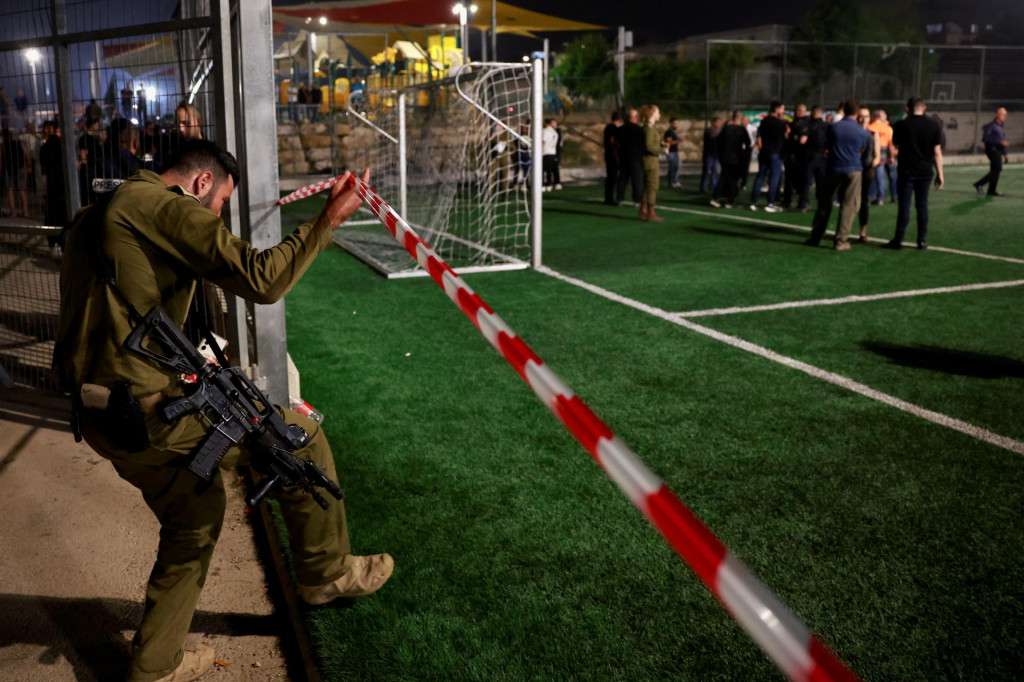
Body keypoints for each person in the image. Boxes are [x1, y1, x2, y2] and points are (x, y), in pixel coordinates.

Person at [52, 140, 393, 682]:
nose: (213, 217)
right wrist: (328, 218)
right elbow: (262, 278)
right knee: (296, 433)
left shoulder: (97, 213)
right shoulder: (163, 205)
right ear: (201, 183)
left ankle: (154, 666)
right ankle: (325, 572)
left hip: (96, 414)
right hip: (144, 411)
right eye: (218, 204)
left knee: (195, 517)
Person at [804, 99, 871, 251]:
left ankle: (816, 236)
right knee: (849, 206)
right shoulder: (862, 132)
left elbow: (827, 145)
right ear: (857, 112)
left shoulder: (833, 128)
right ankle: (841, 240)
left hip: (834, 168)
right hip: (853, 169)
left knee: (825, 203)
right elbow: (862, 150)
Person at [883, 97, 944, 251]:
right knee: (922, 206)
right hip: (925, 171)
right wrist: (940, 174)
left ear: (907, 108)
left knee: (904, 206)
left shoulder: (901, 125)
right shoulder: (933, 125)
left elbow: (894, 146)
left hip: (906, 170)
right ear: (924, 107)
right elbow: (937, 152)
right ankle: (921, 240)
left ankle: (898, 239)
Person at [749, 101, 788, 212]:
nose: (783, 111)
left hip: (764, 152)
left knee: (760, 177)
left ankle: (753, 202)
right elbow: (786, 135)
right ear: (777, 109)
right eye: (782, 109)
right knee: (774, 178)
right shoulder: (780, 123)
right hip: (775, 153)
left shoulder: (764, 121)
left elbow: (759, 136)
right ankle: (770, 203)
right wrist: (784, 122)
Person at [709, 110, 750, 209]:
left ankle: (716, 197)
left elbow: (718, 141)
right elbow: (747, 143)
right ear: (740, 119)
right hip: (736, 158)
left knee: (723, 177)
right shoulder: (741, 129)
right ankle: (729, 201)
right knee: (733, 179)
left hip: (725, 157)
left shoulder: (726, 129)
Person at [855, 107, 881, 243]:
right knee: (850, 201)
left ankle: (862, 232)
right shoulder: (853, 132)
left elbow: (877, 154)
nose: (863, 119)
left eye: (866, 116)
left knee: (864, 201)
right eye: (861, 116)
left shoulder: (872, 134)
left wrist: (873, 164)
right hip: (853, 170)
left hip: (867, 170)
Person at [974, 107, 1009, 197]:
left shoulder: (1000, 128)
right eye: (1002, 114)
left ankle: (991, 190)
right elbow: (985, 138)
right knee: (997, 169)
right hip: (991, 149)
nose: (1004, 116)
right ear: (997, 115)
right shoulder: (991, 126)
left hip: (997, 150)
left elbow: (1002, 142)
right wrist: (998, 142)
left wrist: (1005, 154)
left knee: (995, 170)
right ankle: (979, 184)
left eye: (1005, 114)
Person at [639, 104, 665, 222]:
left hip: (649, 161)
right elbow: (649, 146)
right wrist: (662, 150)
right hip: (651, 161)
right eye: (657, 112)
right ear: (652, 113)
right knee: (653, 186)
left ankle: (643, 209)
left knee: (648, 186)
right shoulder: (649, 128)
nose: (659, 115)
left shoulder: (649, 127)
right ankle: (650, 212)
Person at [39, 120, 66, 226]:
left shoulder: (44, 147)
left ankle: (52, 234)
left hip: (52, 181)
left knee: (52, 207)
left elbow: (43, 168)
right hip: (64, 180)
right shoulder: (63, 145)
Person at [616, 108, 644, 206]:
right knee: (637, 180)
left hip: (623, 157)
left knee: (622, 178)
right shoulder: (639, 130)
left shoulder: (620, 130)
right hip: (636, 158)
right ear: (634, 117)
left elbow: (616, 144)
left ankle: (620, 198)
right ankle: (637, 200)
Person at [1, 128, 30, 217]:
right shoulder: (19, 143)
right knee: (22, 190)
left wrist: (1, 170)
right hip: (20, 168)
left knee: (10, 190)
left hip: (8, 170)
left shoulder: (2, 146)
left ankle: (13, 212)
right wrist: (29, 166)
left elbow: (0, 159)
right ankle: (25, 212)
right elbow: (26, 154)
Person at [867, 110, 894, 205]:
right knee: (881, 176)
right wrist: (891, 156)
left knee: (873, 176)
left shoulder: (869, 127)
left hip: (872, 151)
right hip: (884, 151)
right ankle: (880, 197)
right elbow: (890, 144)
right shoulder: (888, 128)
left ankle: (871, 196)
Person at [602, 110, 622, 205]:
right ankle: (610, 198)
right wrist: (617, 155)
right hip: (613, 156)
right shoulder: (614, 129)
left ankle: (608, 196)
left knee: (610, 177)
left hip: (608, 154)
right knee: (613, 177)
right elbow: (613, 142)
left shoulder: (607, 128)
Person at [699, 117, 721, 193]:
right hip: (708, 154)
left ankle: (713, 186)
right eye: (717, 122)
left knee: (715, 171)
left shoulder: (718, 131)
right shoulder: (709, 130)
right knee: (706, 171)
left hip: (715, 154)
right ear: (713, 122)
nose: (719, 124)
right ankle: (703, 187)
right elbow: (712, 137)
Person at [541, 118, 559, 192]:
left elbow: (543, 142)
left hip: (545, 153)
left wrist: (540, 152)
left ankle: (543, 185)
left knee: (542, 170)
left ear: (545, 123)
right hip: (552, 153)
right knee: (549, 170)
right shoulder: (555, 132)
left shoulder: (544, 131)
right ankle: (549, 185)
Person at [665, 117, 683, 189]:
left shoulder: (673, 132)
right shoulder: (669, 132)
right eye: (675, 123)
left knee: (676, 167)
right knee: (672, 168)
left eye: (677, 123)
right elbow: (668, 142)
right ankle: (671, 183)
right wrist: (678, 141)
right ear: (671, 123)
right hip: (671, 152)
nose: (676, 125)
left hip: (675, 152)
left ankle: (675, 181)